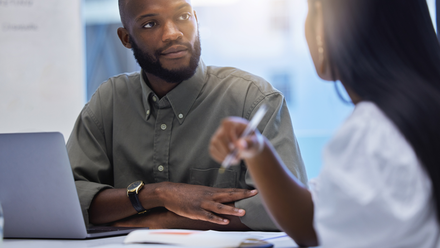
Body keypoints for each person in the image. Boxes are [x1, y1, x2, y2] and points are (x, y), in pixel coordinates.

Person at [210, 0, 440, 246]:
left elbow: (320, 233)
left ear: (326, 25)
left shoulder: (373, 131)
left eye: (311, 10)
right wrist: (258, 151)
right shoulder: (412, 114)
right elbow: (313, 222)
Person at [67, 0, 307, 231]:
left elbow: (286, 210)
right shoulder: (109, 100)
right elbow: (68, 199)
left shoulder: (254, 99)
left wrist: (162, 222)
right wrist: (160, 194)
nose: (172, 33)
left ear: (196, 19)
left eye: (183, 16)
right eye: (150, 24)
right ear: (126, 38)